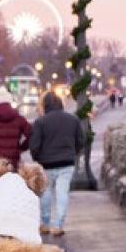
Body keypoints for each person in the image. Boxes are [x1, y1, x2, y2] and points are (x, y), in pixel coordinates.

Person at [28, 91, 84, 236]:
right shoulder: (73, 119)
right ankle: (58, 225)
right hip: (67, 162)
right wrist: (73, 152)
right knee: (62, 193)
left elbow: (34, 145)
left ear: (45, 105)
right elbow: (81, 140)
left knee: (45, 193)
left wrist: (38, 158)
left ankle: (45, 224)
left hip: (46, 163)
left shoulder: (40, 122)